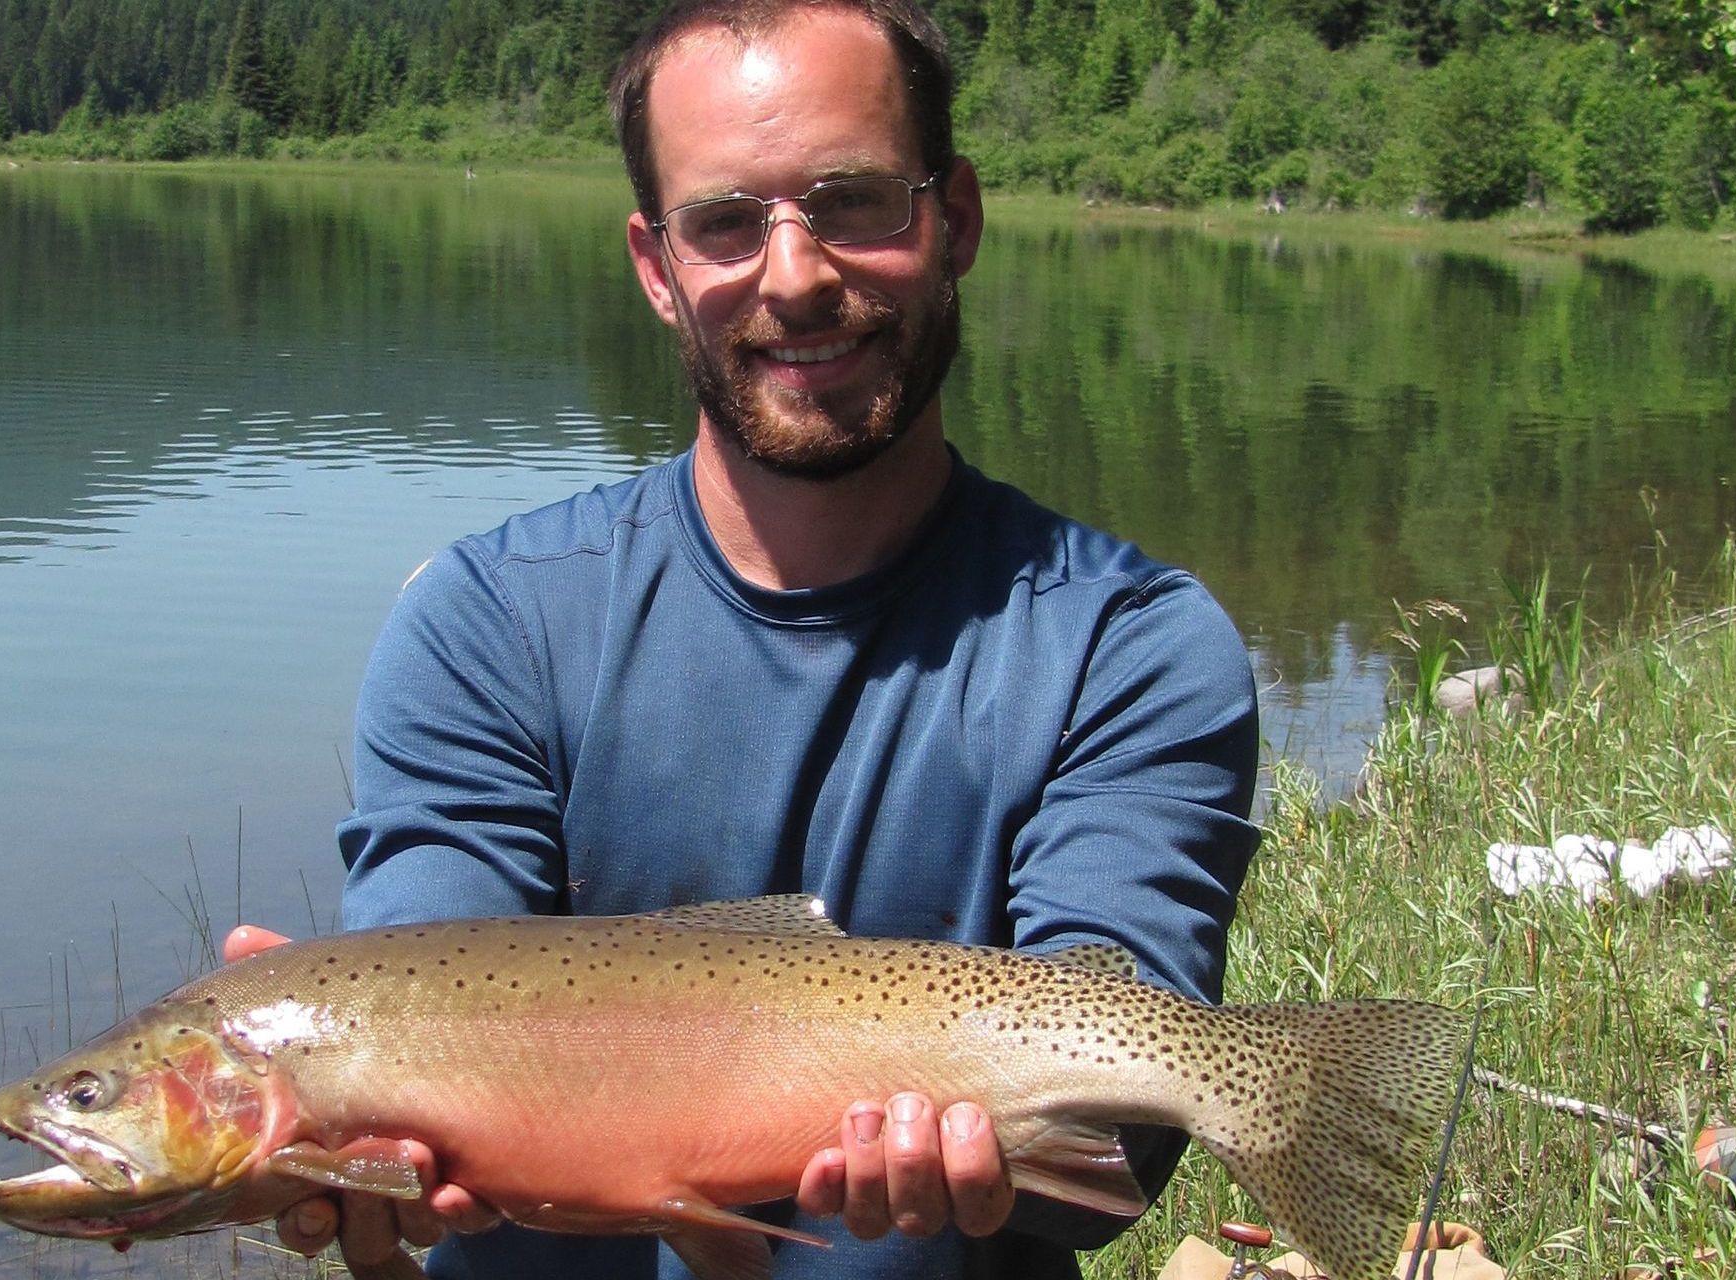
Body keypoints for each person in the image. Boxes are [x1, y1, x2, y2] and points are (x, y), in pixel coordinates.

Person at [225, 1, 1259, 1276]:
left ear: (957, 219)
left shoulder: (1129, 642)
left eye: (853, 201)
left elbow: (1119, 1148)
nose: (795, 275)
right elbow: (438, 974)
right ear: (657, 266)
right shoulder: (486, 619)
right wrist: (351, 1102)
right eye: (725, 222)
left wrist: (1027, 1143)